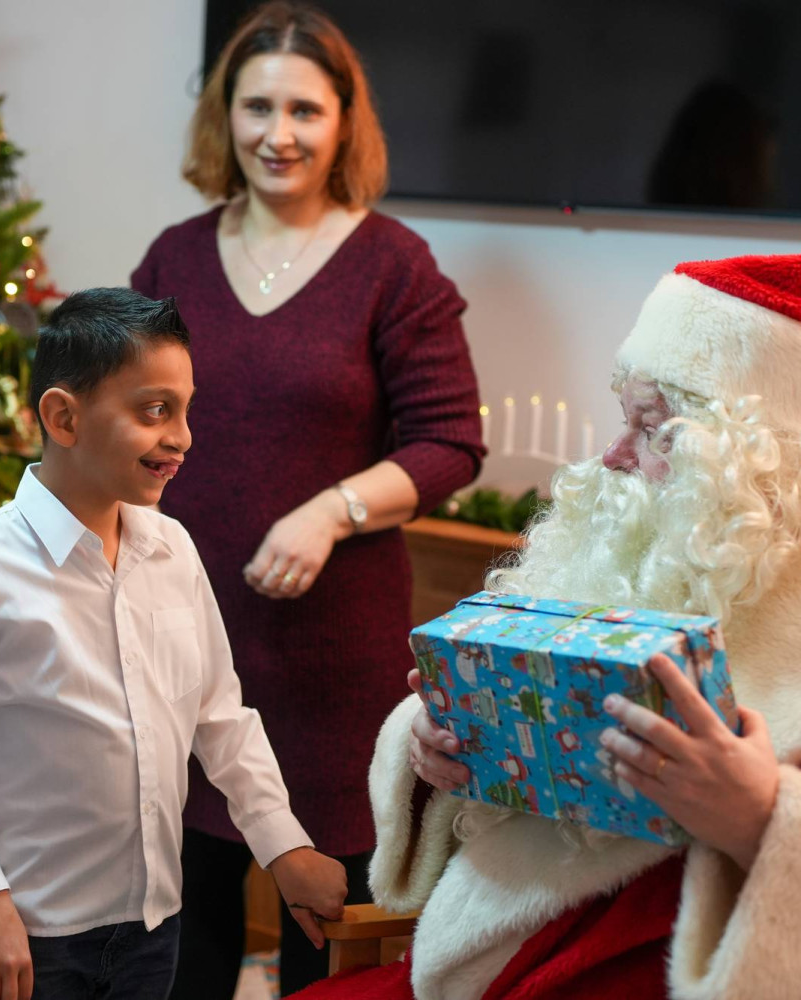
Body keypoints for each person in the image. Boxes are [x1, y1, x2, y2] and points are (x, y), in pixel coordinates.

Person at [289, 253, 801, 1000]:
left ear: (761, 471)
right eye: (623, 419)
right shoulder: (617, 570)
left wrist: (759, 820)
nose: (612, 456)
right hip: (489, 959)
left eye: (652, 430)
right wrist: (433, 749)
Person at [129, 3, 484, 996]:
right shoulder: (173, 257)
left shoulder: (392, 265)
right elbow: (130, 416)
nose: (276, 134)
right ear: (224, 117)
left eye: (303, 110)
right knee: (176, 940)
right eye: (255, 107)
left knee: (323, 948)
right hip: (182, 650)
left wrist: (330, 509)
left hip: (332, 671)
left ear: (343, 123)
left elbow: (450, 442)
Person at [0, 288, 348, 1000]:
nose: (183, 436)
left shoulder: (173, 550)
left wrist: (283, 844)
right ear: (63, 417)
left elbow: (219, 716)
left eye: (186, 409)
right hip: (24, 936)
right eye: (155, 411)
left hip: (154, 931)